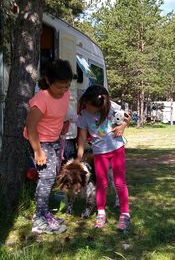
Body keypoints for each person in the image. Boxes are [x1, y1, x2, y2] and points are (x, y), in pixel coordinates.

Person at [24, 59, 73, 234]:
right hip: (39, 141)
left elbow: (63, 110)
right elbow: (30, 127)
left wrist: (66, 121)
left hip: (54, 140)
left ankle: (44, 213)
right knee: (47, 178)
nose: (64, 90)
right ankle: (38, 220)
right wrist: (37, 151)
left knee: (52, 177)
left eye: (67, 86)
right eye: (59, 86)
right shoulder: (41, 99)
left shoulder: (65, 95)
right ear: (48, 81)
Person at [75, 85, 131, 231]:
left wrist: (123, 126)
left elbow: (127, 117)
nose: (90, 109)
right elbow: (81, 136)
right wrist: (79, 156)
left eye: (94, 108)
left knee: (119, 182)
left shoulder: (111, 107)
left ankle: (125, 214)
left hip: (117, 149)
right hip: (99, 153)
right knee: (101, 183)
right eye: (88, 105)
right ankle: (101, 213)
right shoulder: (83, 115)